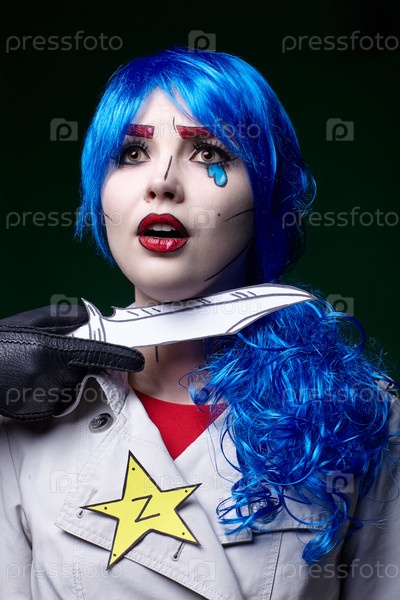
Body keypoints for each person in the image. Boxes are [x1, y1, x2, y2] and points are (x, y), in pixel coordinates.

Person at [0, 46, 399, 599]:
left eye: (208, 151)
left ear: (267, 195)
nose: (162, 182)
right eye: (133, 152)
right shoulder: (23, 411)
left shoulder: (362, 414)